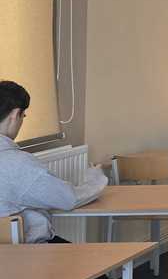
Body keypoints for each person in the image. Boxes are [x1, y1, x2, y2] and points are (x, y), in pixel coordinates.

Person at [0, 81, 108, 243]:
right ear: (15, 114)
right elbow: (69, 199)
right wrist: (95, 179)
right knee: (93, 257)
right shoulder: (18, 164)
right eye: (23, 116)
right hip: (26, 251)